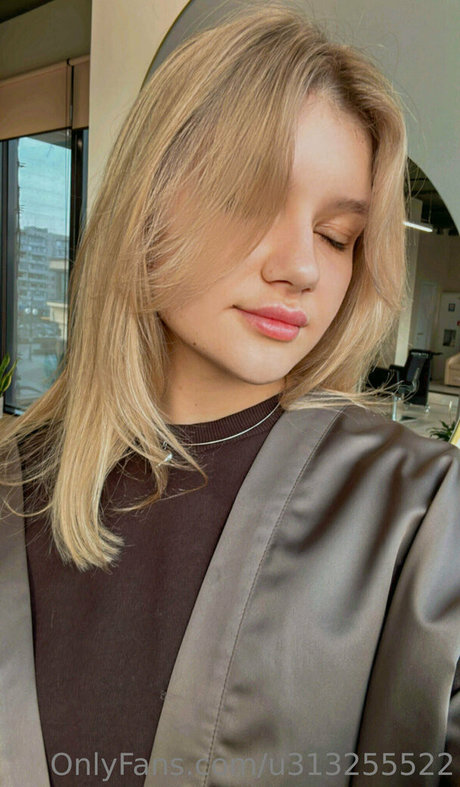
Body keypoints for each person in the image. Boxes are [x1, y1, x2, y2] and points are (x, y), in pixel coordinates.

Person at [0, 4, 459, 785]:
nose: (301, 267)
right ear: (147, 198)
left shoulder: (423, 514)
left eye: (336, 236)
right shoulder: (15, 484)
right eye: (250, 199)